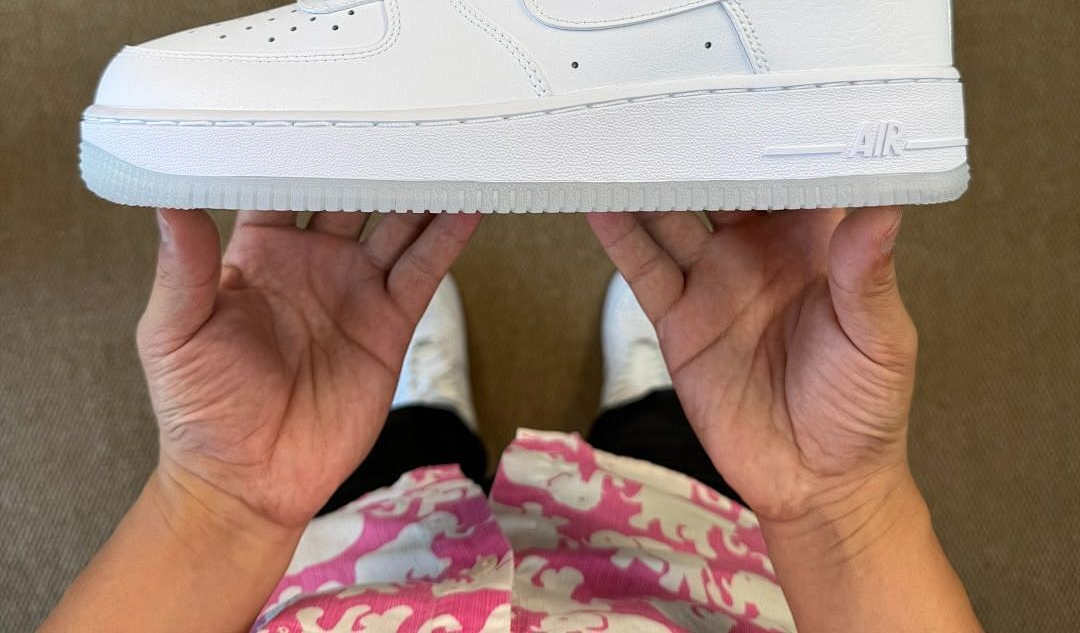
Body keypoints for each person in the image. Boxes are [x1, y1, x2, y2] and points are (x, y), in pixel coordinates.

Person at [41, 206, 982, 632]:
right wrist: (837, 505)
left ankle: (419, 407)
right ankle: (658, 397)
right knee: (670, 465)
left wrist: (221, 504)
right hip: (693, 586)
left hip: (359, 582)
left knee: (395, 474)